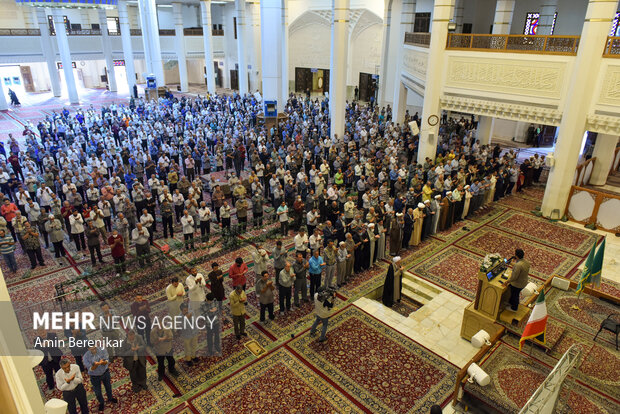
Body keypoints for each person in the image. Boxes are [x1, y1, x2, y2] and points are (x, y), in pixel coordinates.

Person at [83, 346, 118, 411]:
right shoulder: (86, 356)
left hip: (105, 372)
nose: (94, 350)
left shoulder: (102, 350)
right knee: (98, 391)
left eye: (95, 348)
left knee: (108, 386)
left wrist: (103, 362)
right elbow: (90, 369)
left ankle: (110, 398)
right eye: (92, 349)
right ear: (88, 349)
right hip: (95, 376)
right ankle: (101, 402)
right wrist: (96, 365)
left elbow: (107, 361)